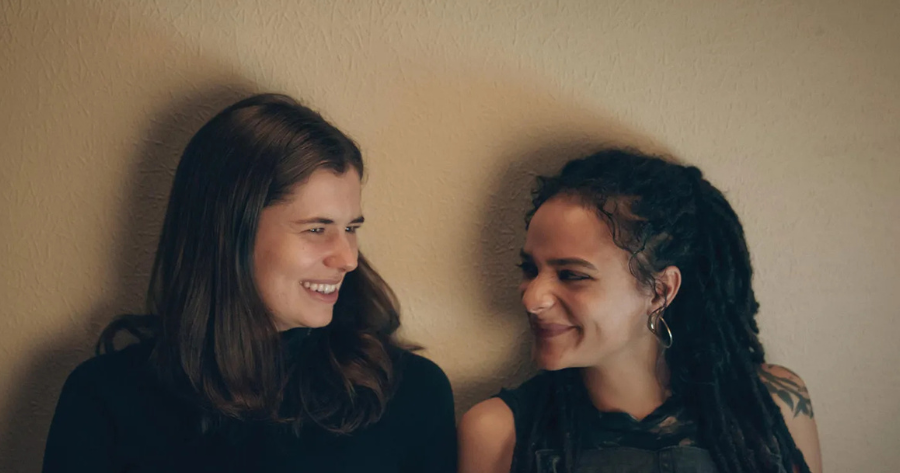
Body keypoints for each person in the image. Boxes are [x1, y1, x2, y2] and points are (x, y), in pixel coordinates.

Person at [43, 94, 456, 473]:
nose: (347, 259)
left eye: (351, 228)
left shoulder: (411, 395)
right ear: (228, 236)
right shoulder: (104, 400)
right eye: (316, 229)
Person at [458, 149, 821, 473]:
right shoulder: (497, 433)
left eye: (572, 275)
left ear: (660, 291)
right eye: (530, 269)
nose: (532, 299)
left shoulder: (775, 405)